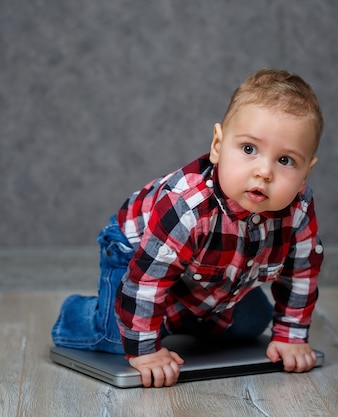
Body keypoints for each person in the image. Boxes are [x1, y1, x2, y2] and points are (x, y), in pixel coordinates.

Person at [52, 68, 324, 388]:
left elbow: (301, 273)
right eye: (249, 149)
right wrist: (147, 351)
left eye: (286, 161)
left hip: (206, 274)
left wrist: (291, 336)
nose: (264, 171)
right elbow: (148, 280)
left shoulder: (299, 210)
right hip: (138, 255)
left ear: (306, 172)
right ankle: (82, 314)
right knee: (122, 339)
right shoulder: (187, 207)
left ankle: (179, 316)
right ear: (218, 146)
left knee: (251, 324)